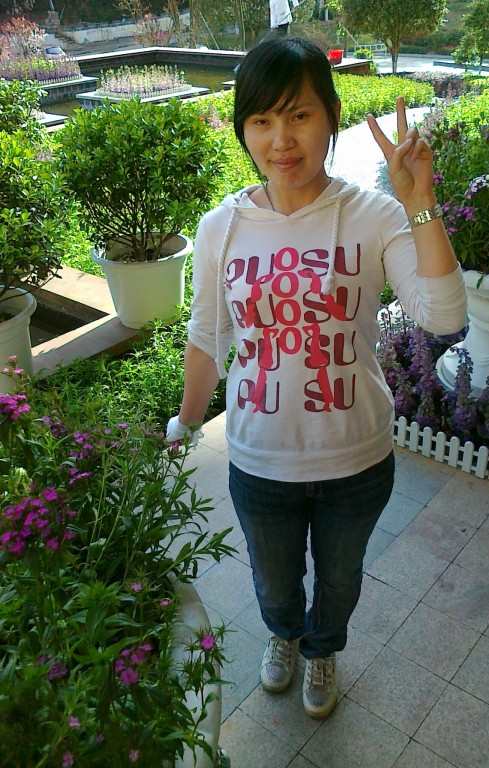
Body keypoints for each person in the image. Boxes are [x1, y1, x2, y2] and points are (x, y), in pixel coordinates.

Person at [166, 36, 467, 720]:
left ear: (330, 117)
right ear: (244, 129)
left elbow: (443, 316)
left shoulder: (375, 214)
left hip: (355, 459)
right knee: (274, 583)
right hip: (260, 458)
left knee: (339, 580)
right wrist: (185, 422)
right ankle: (283, 636)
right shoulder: (221, 227)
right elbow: (208, 337)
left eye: (299, 115)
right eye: (262, 120)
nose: (282, 140)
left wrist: (420, 202)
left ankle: (323, 648)